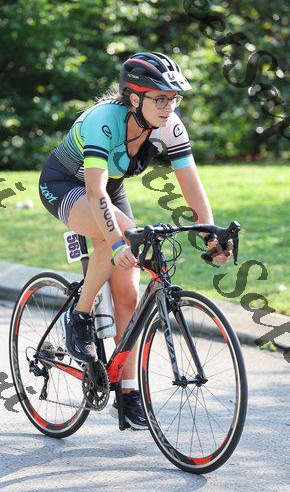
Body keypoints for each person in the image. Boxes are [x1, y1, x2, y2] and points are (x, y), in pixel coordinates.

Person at [38, 51, 233, 430]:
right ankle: (80, 316)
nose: (168, 107)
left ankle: (127, 394)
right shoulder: (104, 121)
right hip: (65, 185)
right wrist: (115, 241)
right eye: (159, 98)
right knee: (120, 240)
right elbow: (94, 192)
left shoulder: (169, 125)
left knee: (128, 294)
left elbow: (191, 183)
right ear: (133, 97)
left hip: (109, 190)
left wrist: (209, 231)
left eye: (173, 98)